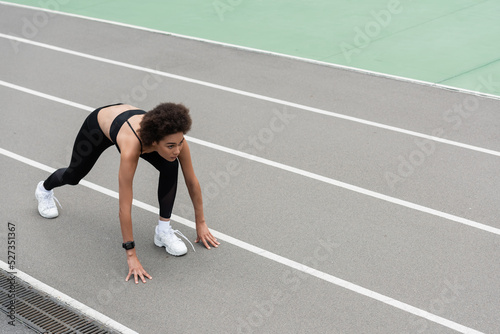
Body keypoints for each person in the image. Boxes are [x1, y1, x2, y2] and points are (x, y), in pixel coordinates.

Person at [35, 102, 220, 284]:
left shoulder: (174, 139)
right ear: (155, 142)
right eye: (171, 146)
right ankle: (44, 189)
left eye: (180, 143)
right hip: (100, 126)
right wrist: (131, 254)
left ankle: (163, 231)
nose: (177, 149)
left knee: (171, 165)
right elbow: (124, 205)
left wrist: (201, 223)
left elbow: (191, 181)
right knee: (73, 175)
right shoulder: (131, 148)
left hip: (135, 124)